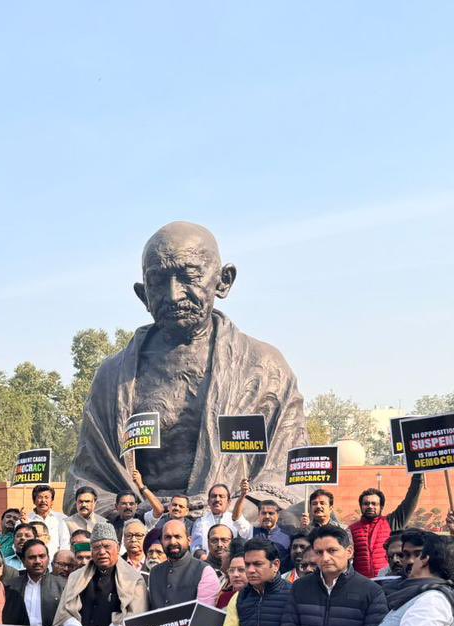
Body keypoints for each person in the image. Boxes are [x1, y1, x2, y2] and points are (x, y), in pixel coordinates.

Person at [66, 221, 305, 507]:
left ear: (224, 281)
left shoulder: (265, 368)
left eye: (189, 276)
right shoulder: (112, 378)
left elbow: (290, 478)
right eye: (158, 282)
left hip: (229, 520)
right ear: (143, 294)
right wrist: (137, 515)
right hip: (141, 521)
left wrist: (232, 514)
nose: (173, 295)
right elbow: (87, 481)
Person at [53, 526, 148, 626]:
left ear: (118, 548)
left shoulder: (134, 580)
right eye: (97, 547)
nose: (102, 552)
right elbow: (65, 612)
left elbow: (134, 618)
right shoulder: (75, 577)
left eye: (107, 546)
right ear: (91, 551)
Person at [348, 477, 424, 579]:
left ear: (381, 507)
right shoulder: (351, 529)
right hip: (362, 583)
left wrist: (417, 477)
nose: (370, 506)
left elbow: (410, 501)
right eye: (366, 504)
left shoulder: (392, 522)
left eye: (374, 504)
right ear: (361, 506)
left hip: (389, 580)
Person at [149, 519, 220, 607]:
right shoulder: (155, 572)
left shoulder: (204, 571)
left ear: (189, 541)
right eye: (167, 537)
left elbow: (204, 613)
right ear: (161, 541)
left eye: (178, 537)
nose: (173, 542)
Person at [190, 483, 252, 553]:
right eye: (214, 496)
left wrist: (243, 495)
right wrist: (203, 556)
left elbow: (247, 535)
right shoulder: (200, 522)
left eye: (221, 496)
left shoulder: (236, 520)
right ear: (208, 502)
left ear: (229, 502)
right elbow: (195, 546)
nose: (217, 499)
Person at [18, 539, 64, 626]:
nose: (37, 561)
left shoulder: (62, 585)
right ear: (23, 561)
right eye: (32, 557)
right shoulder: (12, 586)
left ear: (48, 559)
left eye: (42, 556)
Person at [24, 484, 71, 555]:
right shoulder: (26, 520)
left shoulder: (62, 519)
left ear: (52, 501)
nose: (43, 500)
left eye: (46, 497)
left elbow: (65, 543)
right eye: (40, 497)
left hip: (55, 560)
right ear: (34, 501)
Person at [252, 498, 292, 565]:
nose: (267, 516)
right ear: (258, 515)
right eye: (264, 513)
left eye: (271, 513)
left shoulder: (288, 537)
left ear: (277, 515)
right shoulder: (251, 533)